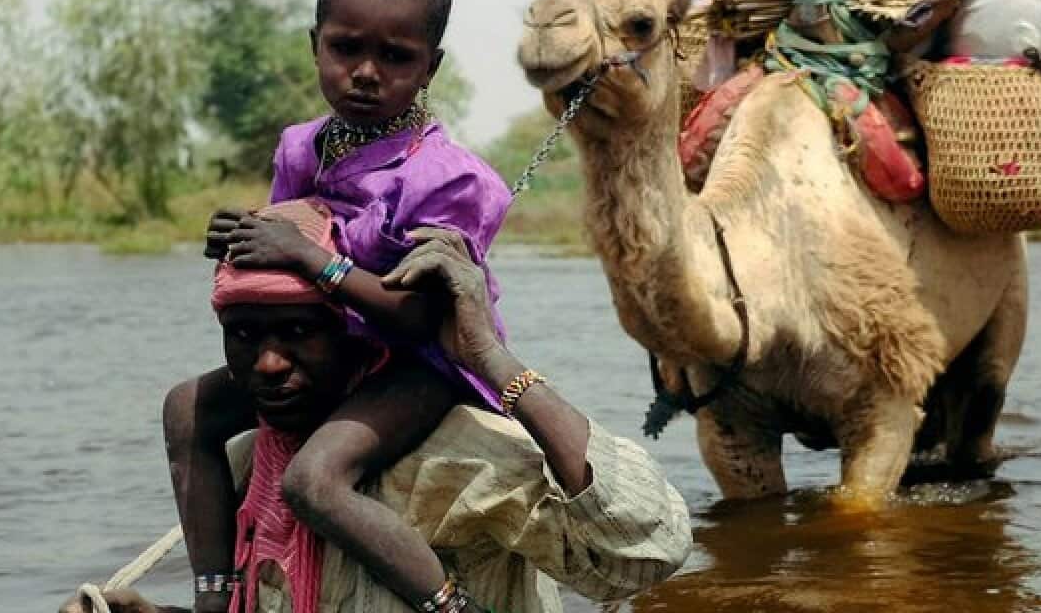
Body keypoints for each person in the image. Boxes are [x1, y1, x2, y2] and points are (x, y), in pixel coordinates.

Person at [73, 207, 691, 613]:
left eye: (296, 332)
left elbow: (644, 552)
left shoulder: (456, 451)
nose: (266, 363)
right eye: (243, 335)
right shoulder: (247, 468)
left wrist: (490, 359)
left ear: (352, 334)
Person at [195, 0, 511, 613]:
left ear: (429, 66)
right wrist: (244, 246)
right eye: (346, 48)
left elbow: (412, 320)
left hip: (424, 362)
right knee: (189, 410)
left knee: (315, 481)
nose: (366, 72)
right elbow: (277, 276)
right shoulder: (300, 148)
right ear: (316, 44)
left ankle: (449, 606)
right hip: (337, 352)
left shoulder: (449, 179)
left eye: (395, 57)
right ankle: (214, 596)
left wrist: (315, 265)